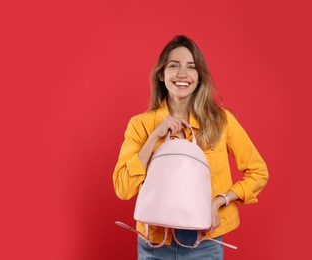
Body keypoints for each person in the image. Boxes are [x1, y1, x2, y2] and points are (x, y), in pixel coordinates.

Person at [113, 35, 269, 259]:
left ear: (199, 77)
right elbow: (123, 188)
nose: (182, 74)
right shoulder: (141, 125)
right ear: (161, 74)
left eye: (191, 67)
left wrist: (220, 200)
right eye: (174, 66)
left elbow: (259, 172)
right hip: (154, 244)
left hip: (205, 244)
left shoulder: (221, 121)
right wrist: (154, 136)